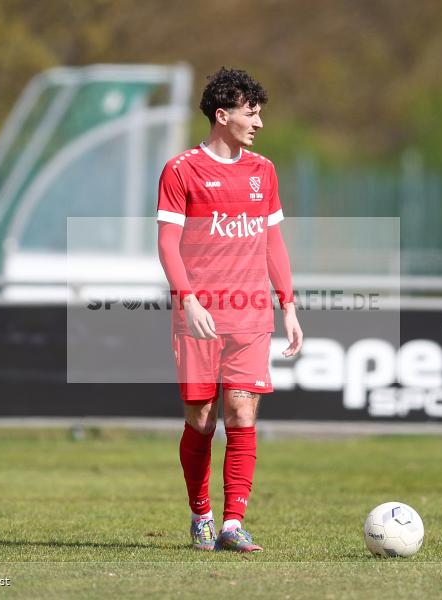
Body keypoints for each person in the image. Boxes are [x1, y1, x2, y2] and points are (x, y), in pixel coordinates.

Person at [156, 67, 303, 552]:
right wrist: (189, 299)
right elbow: (167, 245)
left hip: (250, 316)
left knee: (241, 412)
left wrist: (289, 305)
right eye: (251, 113)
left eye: (260, 113)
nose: (259, 122)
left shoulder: (263, 171)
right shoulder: (181, 171)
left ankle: (233, 523)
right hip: (198, 318)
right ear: (223, 115)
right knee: (201, 420)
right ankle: (201, 514)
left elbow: (273, 243)